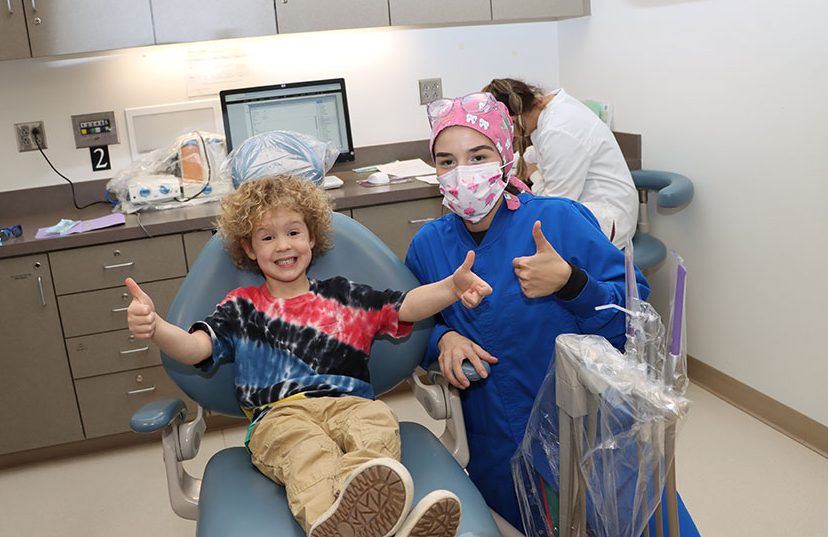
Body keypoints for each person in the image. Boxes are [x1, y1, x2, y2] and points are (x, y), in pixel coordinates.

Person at [126, 174, 492, 537]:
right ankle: (333, 523)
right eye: (267, 237)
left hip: (351, 402)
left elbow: (407, 305)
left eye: (293, 232)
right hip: (279, 414)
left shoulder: (344, 295)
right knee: (307, 450)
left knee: (377, 423)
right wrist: (156, 327)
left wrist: (450, 288)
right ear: (250, 248)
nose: (283, 245)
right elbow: (195, 349)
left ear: (312, 237)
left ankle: (368, 515)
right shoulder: (241, 307)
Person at [404, 92, 649, 530]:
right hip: (495, 442)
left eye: (478, 155)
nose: (462, 172)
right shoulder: (428, 246)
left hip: (587, 432)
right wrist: (444, 339)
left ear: (506, 159)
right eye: (446, 161)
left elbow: (634, 315)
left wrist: (571, 283)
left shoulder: (558, 219)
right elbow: (412, 324)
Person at [483, 78, 638, 249]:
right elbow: (536, 154)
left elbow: (554, 206)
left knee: (517, 243)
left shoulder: (559, 130)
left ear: (511, 121)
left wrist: (534, 174)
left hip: (607, 221)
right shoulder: (551, 107)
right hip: (599, 206)